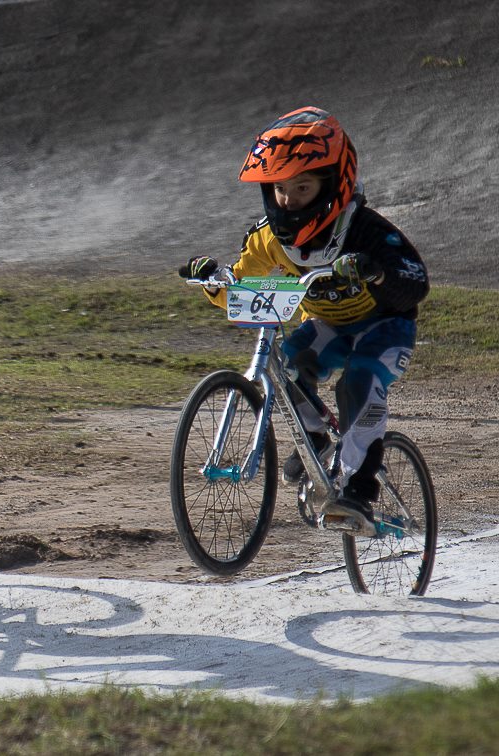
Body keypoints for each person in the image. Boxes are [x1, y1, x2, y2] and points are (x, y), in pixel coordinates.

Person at [179, 106, 429, 531]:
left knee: (359, 378)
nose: (289, 200)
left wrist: (376, 271)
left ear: (333, 184)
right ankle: (313, 436)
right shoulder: (266, 238)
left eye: (303, 186)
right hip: (329, 325)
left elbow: (417, 282)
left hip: (386, 325)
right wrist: (211, 280)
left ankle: (360, 488)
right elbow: (239, 287)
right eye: (279, 188)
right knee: (287, 365)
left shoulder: (366, 229)